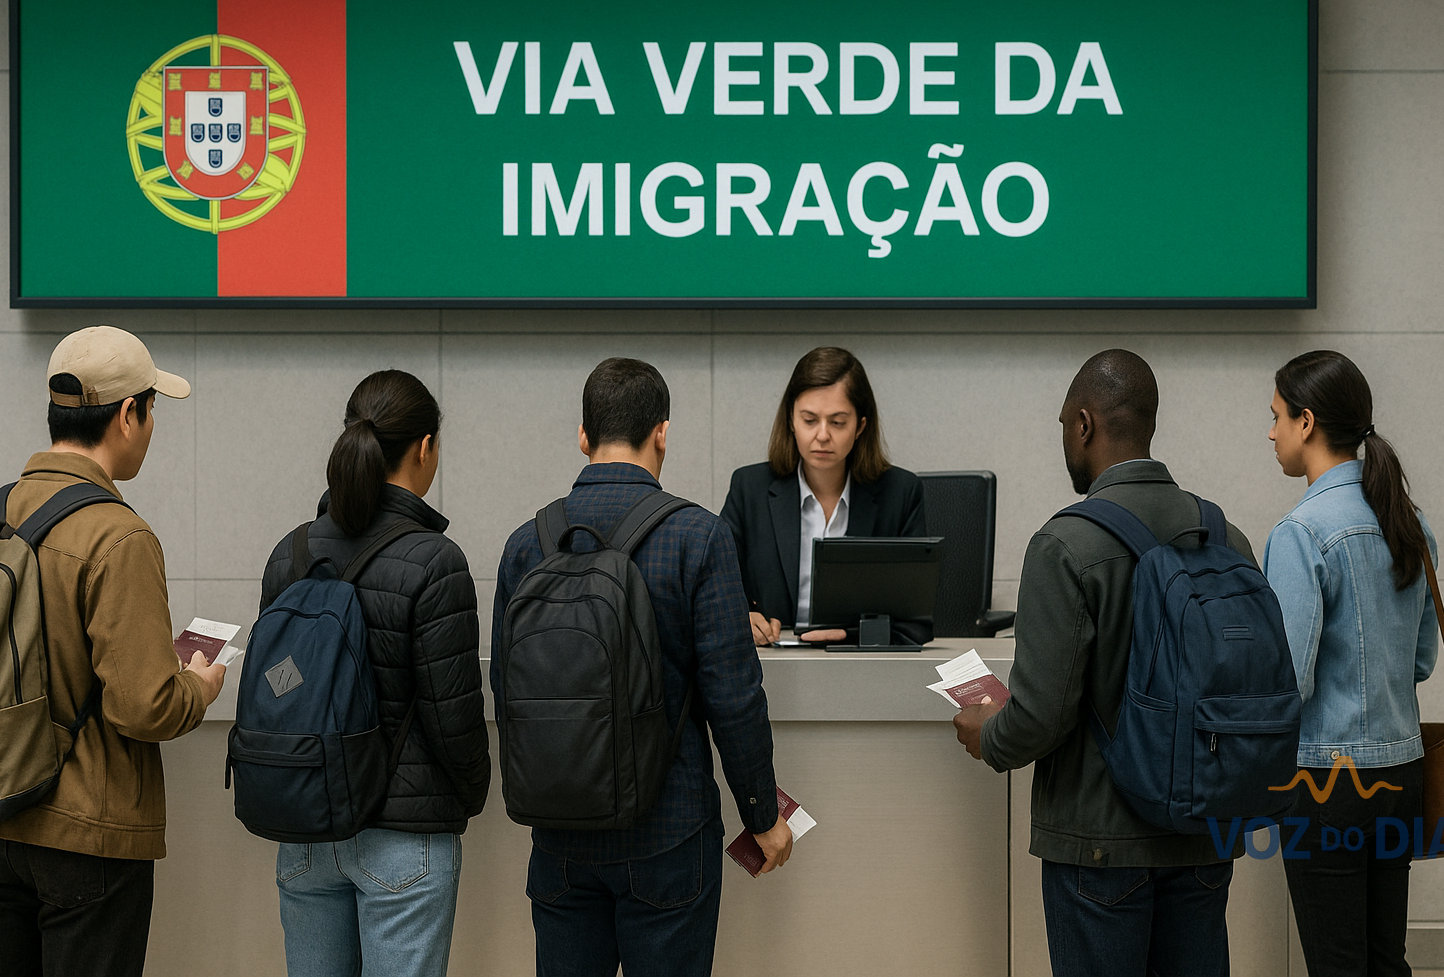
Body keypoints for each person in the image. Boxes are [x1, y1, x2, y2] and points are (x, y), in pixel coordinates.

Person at [951, 349, 1256, 977]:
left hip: (1098, 847)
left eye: (1065, 425)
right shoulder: (1226, 536)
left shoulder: (1064, 544)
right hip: (1203, 834)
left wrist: (989, 734)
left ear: (1085, 424)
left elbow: (1040, 717)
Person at [493, 357, 792, 977]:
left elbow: (505, 690)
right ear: (662, 433)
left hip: (560, 837)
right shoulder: (698, 538)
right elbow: (734, 698)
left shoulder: (527, 544)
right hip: (669, 833)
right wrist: (761, 815)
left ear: (583, 436)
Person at [0, 326, 225, 977]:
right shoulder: (118, 535)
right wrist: (198, 685)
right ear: (128, 415)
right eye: (152, 410)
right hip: (87, 838)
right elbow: (144, 708)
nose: (152, 427)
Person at [259, 370, 491, 976]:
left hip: (306, 830)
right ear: (425, 448)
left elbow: (277, 693)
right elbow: (453, 718)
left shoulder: (291, 553)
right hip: (404, 837)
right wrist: (469, 796)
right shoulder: (435, 561)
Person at [1264, 350, 1438, 977]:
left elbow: (1288, 679)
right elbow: (1421, 661)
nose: (1272, 433)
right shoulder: (1409, 521)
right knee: (1386, 961)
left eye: (1277, 417)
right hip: (1404, 773)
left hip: (1325, 782)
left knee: (1336, 965)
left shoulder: (1302, 531)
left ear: (1307, 422)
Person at [720, 346, 927, 646]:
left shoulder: (901, 493)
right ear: (791, 420)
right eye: (809, 420)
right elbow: (715, 592)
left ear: (860, 426)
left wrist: (849, 635)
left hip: (862, 661)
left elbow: (915, 623)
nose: (822, 435)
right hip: (772, 660)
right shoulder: (749, 488)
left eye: (838, 422)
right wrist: (739, 617)